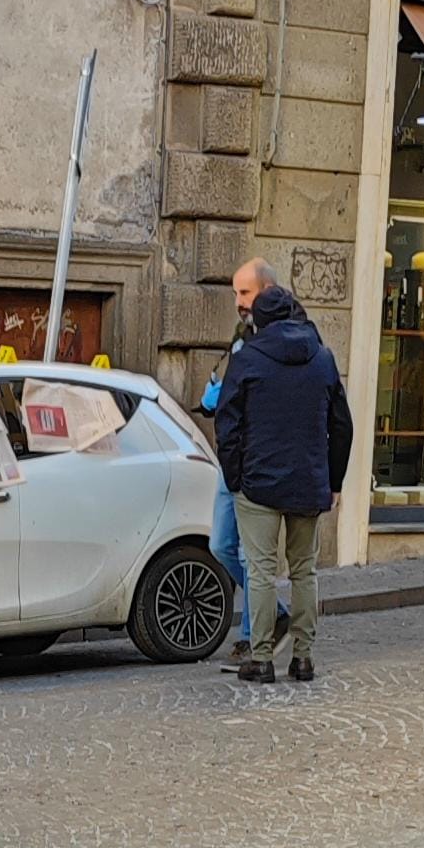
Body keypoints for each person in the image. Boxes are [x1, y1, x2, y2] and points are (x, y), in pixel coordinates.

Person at [215, 286, 353, 685]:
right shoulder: (322, 358)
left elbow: (227, 422)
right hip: (308, 480)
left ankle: (261, 659)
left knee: (260, 571)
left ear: (259, 320)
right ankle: (303, 657)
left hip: (257, 482)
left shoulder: (247, 358)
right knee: (304, 571)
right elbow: (342, 425)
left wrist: (234, 476)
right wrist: (334, 479)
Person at [195, 258, 291, 664]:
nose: (238, 301)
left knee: (254, 556)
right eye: (235, 292)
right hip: (229, 456)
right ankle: (276, 612)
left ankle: (254, 635)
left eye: (245, 292)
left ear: (267, 292)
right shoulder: (240, 337)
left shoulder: (285, 337)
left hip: (257, 458)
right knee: (220, 545)